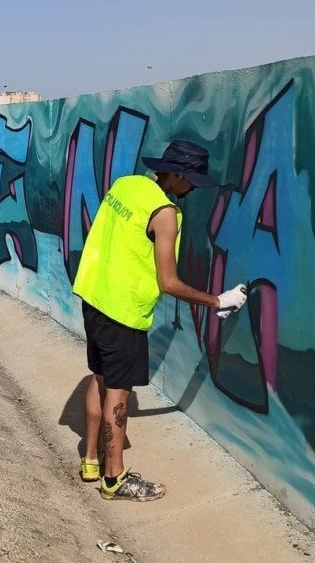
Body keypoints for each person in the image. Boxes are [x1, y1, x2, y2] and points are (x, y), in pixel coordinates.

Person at [72, 140, 248, 502]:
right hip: (123, 313)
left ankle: (91, 461)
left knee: (100, 378)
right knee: (118, 393)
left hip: (94, 297)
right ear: (178, 176)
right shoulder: (165, 213)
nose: (193, 190)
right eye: (192, 182)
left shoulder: (125, 185)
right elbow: (168, 282)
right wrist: (217, 301)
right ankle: (114, 479)